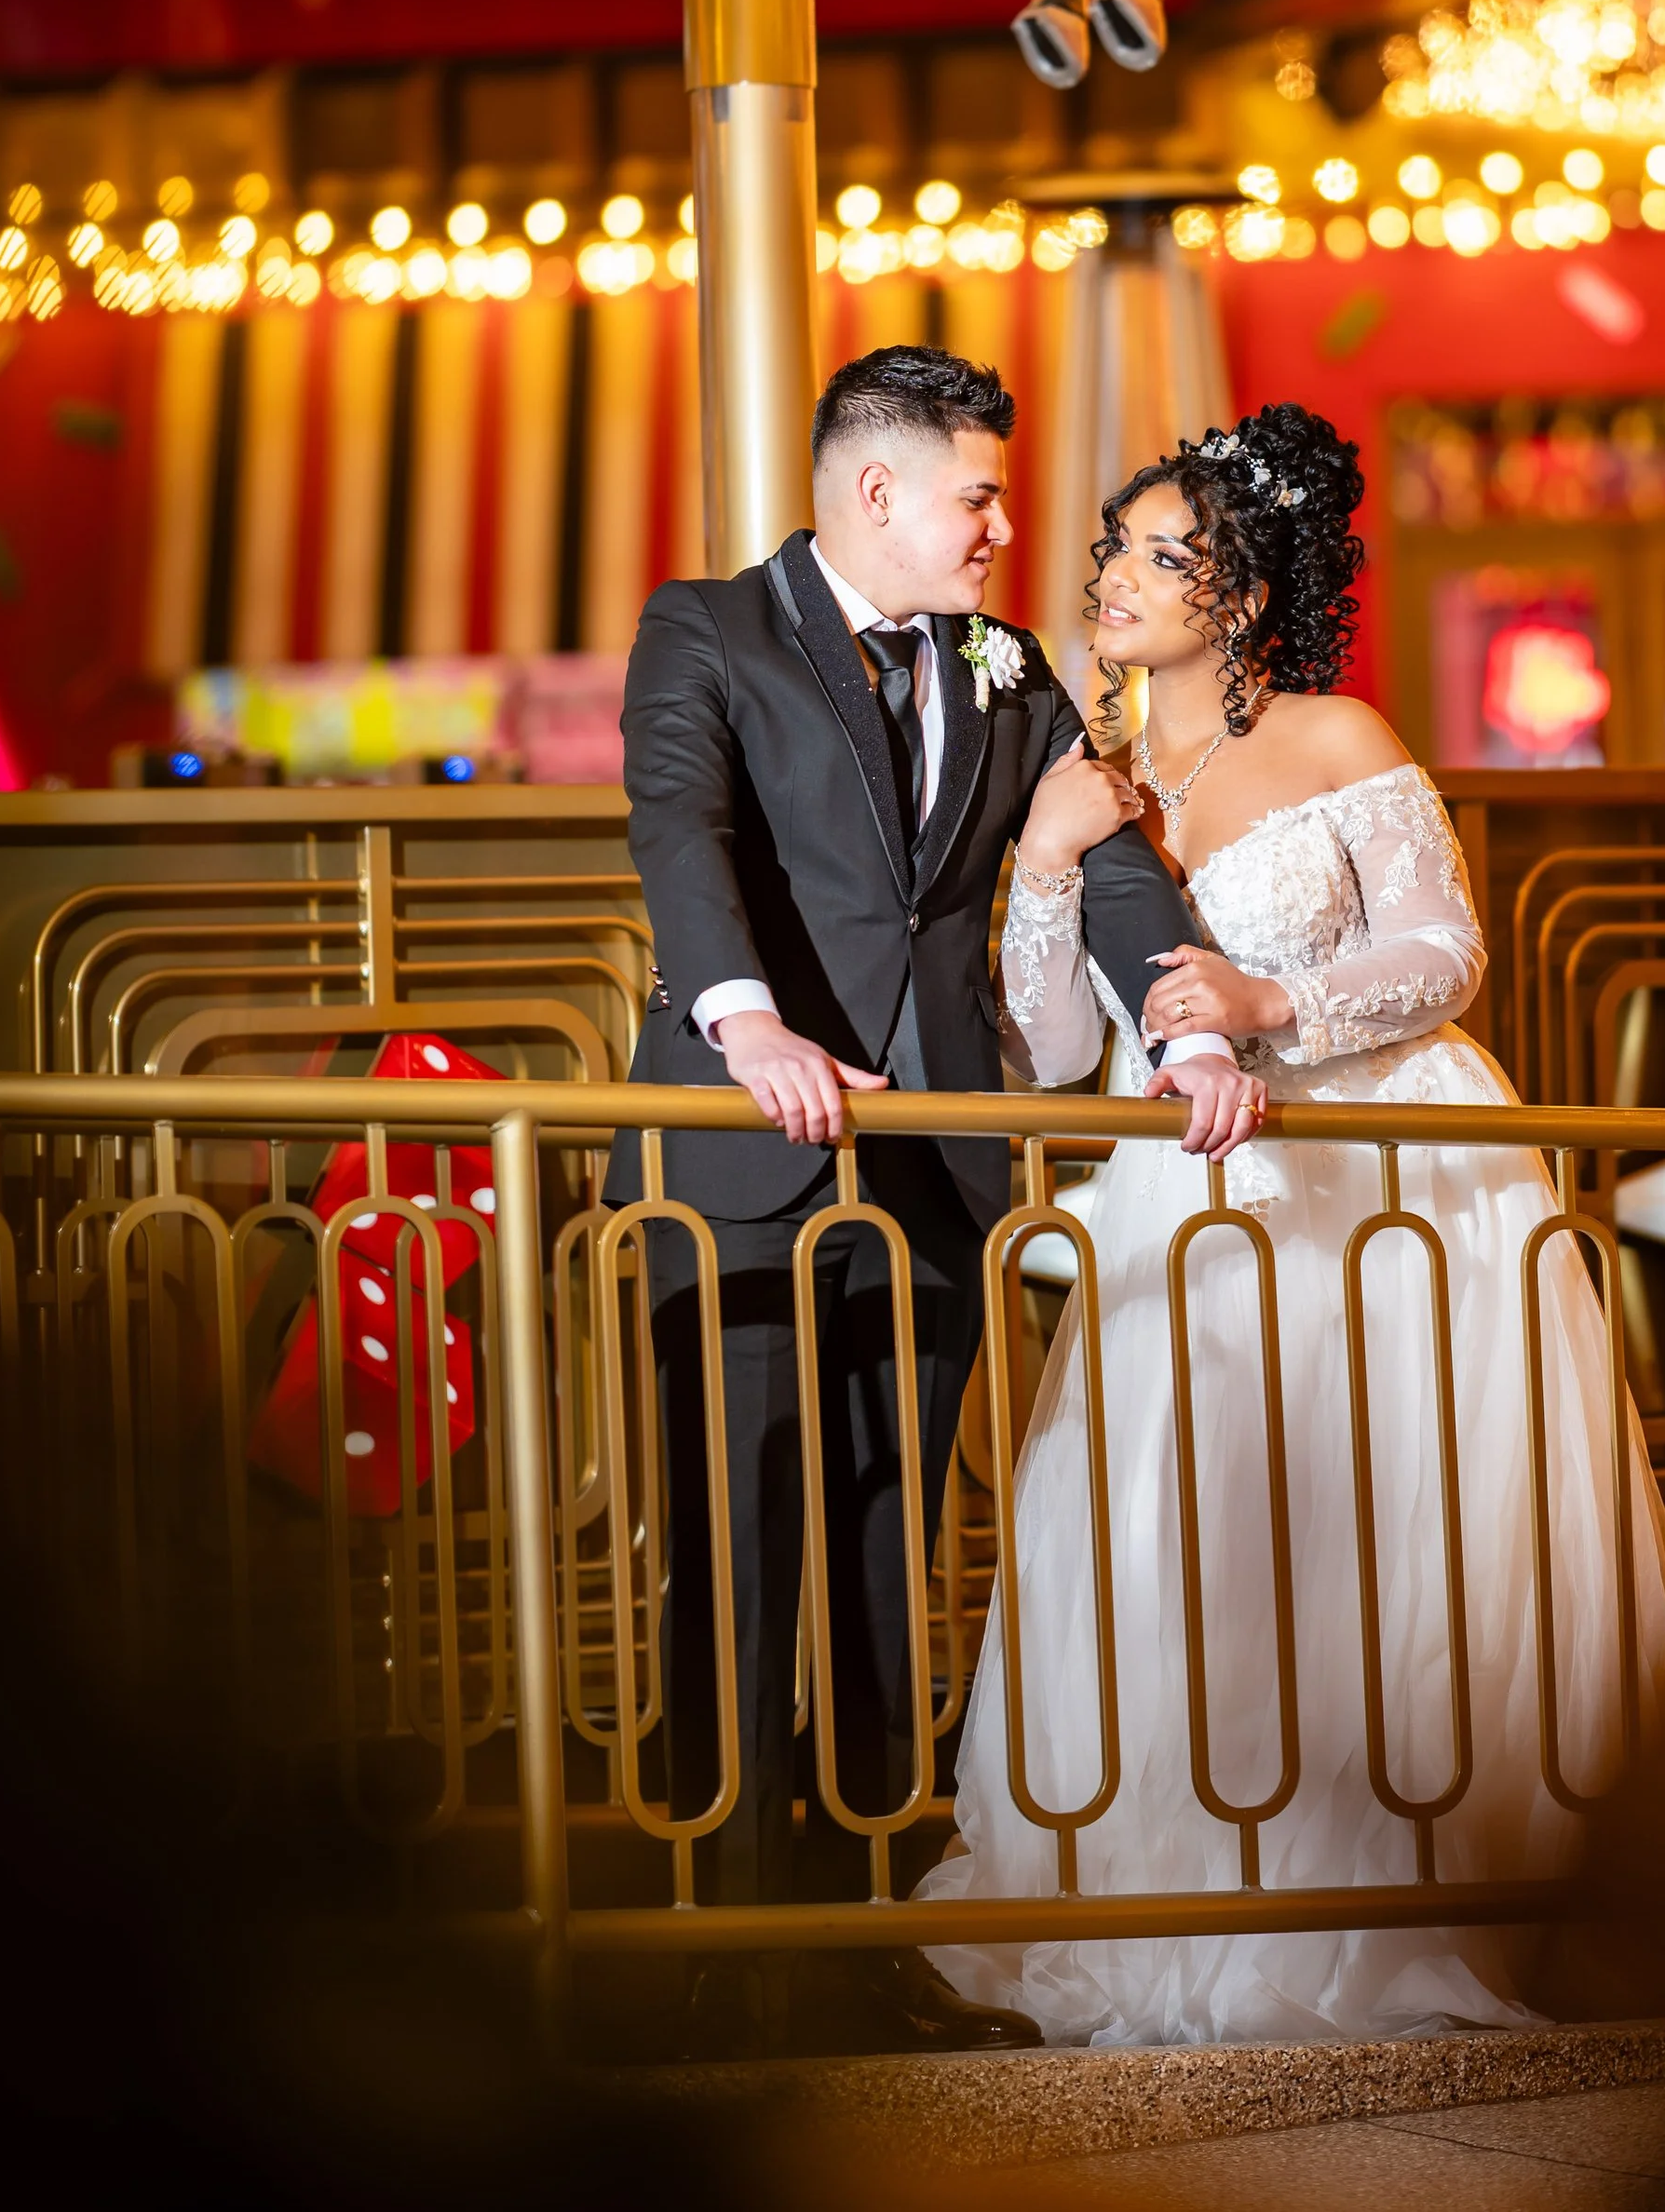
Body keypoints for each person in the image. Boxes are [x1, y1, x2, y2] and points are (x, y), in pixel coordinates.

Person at [918, 403, 1665, 2045]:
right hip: (1186, 1195)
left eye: (1151, 548)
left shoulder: (1340, 737)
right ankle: (1182, 1877)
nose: (1109, 572)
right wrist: (1050, 865)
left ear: (1244, 590)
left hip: (1386, 1187)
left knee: (1379, 1533)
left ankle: (1406, 1879)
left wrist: (1278, 994)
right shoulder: (1094, 769)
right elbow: (1061, 1050)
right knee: (1186, 1533)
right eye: (1112, 545)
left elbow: (1446, 950)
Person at [608, 344, 1248, 2054]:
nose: (1000, 529)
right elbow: (679, 827)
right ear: (876, 492)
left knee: (898, 1555)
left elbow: (1105, 850)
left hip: (934, 1171)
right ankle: (708, 1945)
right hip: (735, 1173)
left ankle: (871, 1927)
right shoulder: (706, 630)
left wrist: (1178, 1018)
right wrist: (745, 1020)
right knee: (738, 1559)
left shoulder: (1009, 659)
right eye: (976, 495)